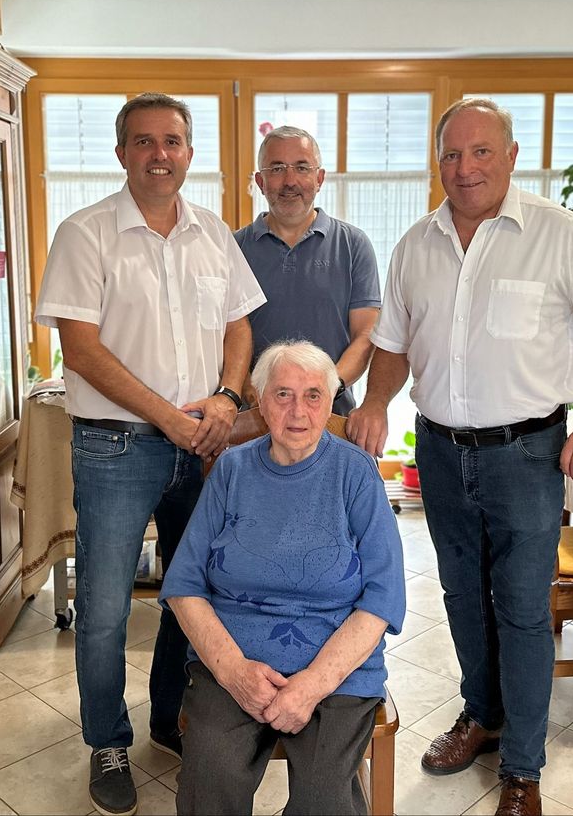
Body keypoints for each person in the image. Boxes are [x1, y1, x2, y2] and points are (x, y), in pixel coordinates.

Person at [348, 98, 573, 816]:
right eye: (452, 155)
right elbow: (394, 346)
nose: (466, 169)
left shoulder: (564, 237)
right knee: (461, 599)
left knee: (522, 609)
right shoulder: (415, 245)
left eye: (481, 152)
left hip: (528, 456)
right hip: (438, 450)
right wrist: (372, 404)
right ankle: (480, 715)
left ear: (512, 156)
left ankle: (523, 767)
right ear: (438, 163)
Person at [34, 93, 266, 816]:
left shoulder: (212, 236)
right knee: (103, 610)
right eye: (143, 141)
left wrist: (228, 399)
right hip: (115, 447)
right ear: (122, 153)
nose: (159, 153)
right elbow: (81, 351)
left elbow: (238, 327)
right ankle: (107, 740)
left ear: (190, 153)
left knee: (188, 597)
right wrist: (170, 417)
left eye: (172, 141)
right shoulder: (85, 233)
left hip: (202, 446)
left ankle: (169, 718)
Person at [160, 340, 406, 816]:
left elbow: (384, 597)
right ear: (259, 400)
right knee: (211, 778)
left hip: (336, 670)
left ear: (331, 401)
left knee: (322, 796)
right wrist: (234, 673)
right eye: (283, 394)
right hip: (236, 660)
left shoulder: (356, 474)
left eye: (313, 395)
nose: (298, 411)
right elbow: (184, 584)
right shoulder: (231, 471)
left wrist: (311, 684)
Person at [234, 126, 381, 415]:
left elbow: (366, 334)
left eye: (302, 167)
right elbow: (223, 337)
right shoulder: (232, 249)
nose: (290, 181)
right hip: (253, 416)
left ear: (319, 178)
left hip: (332, 415)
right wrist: (247, 389)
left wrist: (325, 389)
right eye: (277, 168)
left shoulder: (353, 245)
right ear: (261, 181)